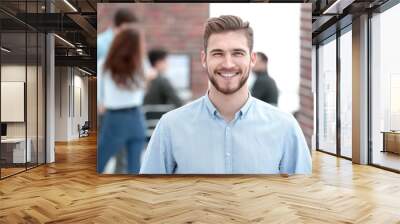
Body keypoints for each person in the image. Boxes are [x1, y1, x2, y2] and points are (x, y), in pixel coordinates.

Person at [140, 15, 312, 174]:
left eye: (237, 53)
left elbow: (303, 200)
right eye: (218, 53)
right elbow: (148, 198)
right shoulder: (170, 126)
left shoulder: (285, 127)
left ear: (252, 59)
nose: (228, 64)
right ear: (204, 59)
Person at [97, 27, 147, 174]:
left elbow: (100, 97)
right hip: (136, 118)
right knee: (134, 168)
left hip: (114, 118)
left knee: (99, 164)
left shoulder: (104, 65)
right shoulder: (141, 65)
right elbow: (142, 91)